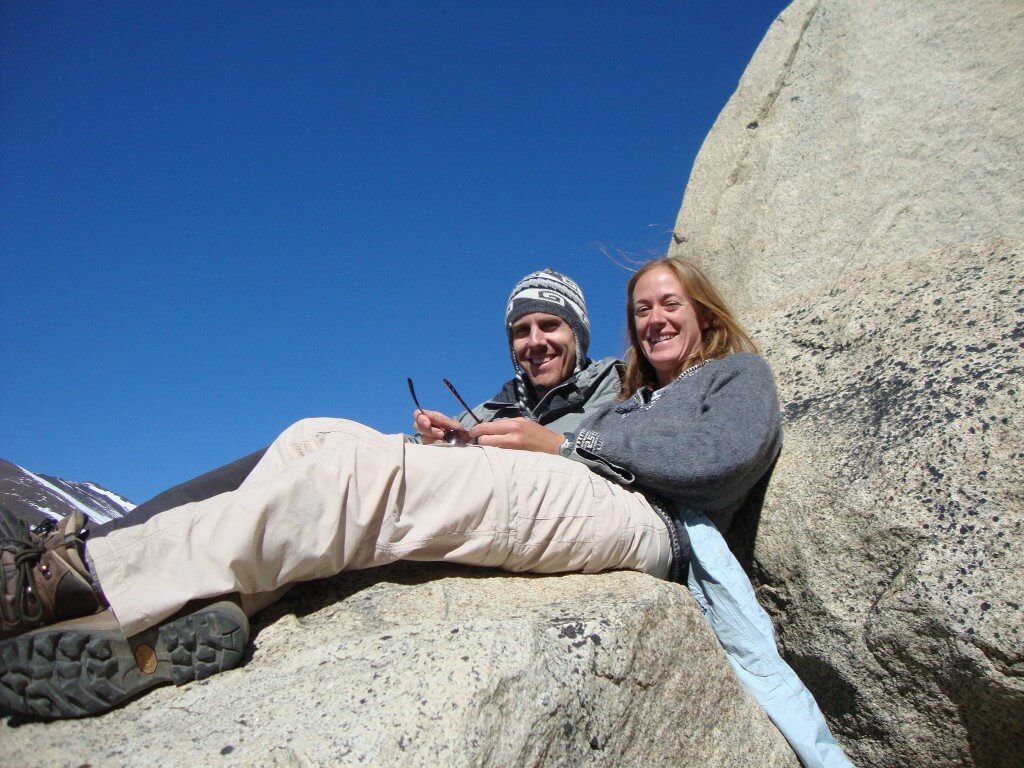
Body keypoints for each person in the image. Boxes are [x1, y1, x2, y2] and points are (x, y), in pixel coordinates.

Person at [0, 258, 850, 768]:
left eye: (670, 303)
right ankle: (179, 600)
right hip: (600, 490)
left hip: (650, 522)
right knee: (316, 435)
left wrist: (567, 449)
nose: (655, 317)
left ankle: (74, 582)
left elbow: (714, 463)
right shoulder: (632, 399)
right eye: (643, 309)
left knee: (363, 478)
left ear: (704, 313)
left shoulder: (737, 379)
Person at [96, 267, 624, 534]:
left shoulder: (618, 385)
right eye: (521, 330)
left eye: (550, 325)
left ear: (578, 333)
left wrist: (557, 443)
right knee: (315, 436)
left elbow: (634, 457)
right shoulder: (493, 407)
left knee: (338, 475)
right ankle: (111, 542)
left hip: (540, 511)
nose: (535, 342)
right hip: (462, 498)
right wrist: (439, 442)